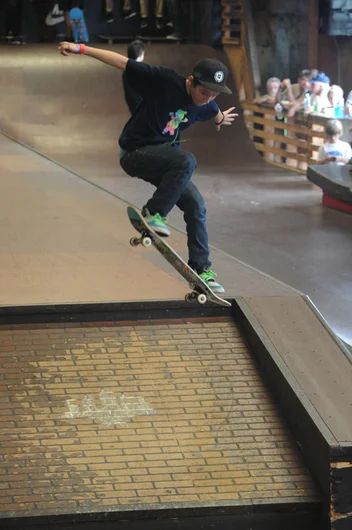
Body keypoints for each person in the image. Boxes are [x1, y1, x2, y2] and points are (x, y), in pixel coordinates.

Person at [58, 41, 237, 293]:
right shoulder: (164, 79)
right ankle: (154, 214)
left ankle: (201, 268)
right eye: (203, 94)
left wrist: (220, 120)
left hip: (163, 160)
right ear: (191, 81)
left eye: (212, 96)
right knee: (187, 160)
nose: (205, 100)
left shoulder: (209, 104)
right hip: (135, 151)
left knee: (196, 203)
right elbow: (121, 62)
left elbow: (216, 114)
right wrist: (81, 49)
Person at [122, 40, 145, 114]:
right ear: (141, 54)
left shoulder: (126, 70)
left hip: (131, 102)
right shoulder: (141, 71)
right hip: (141, 105)